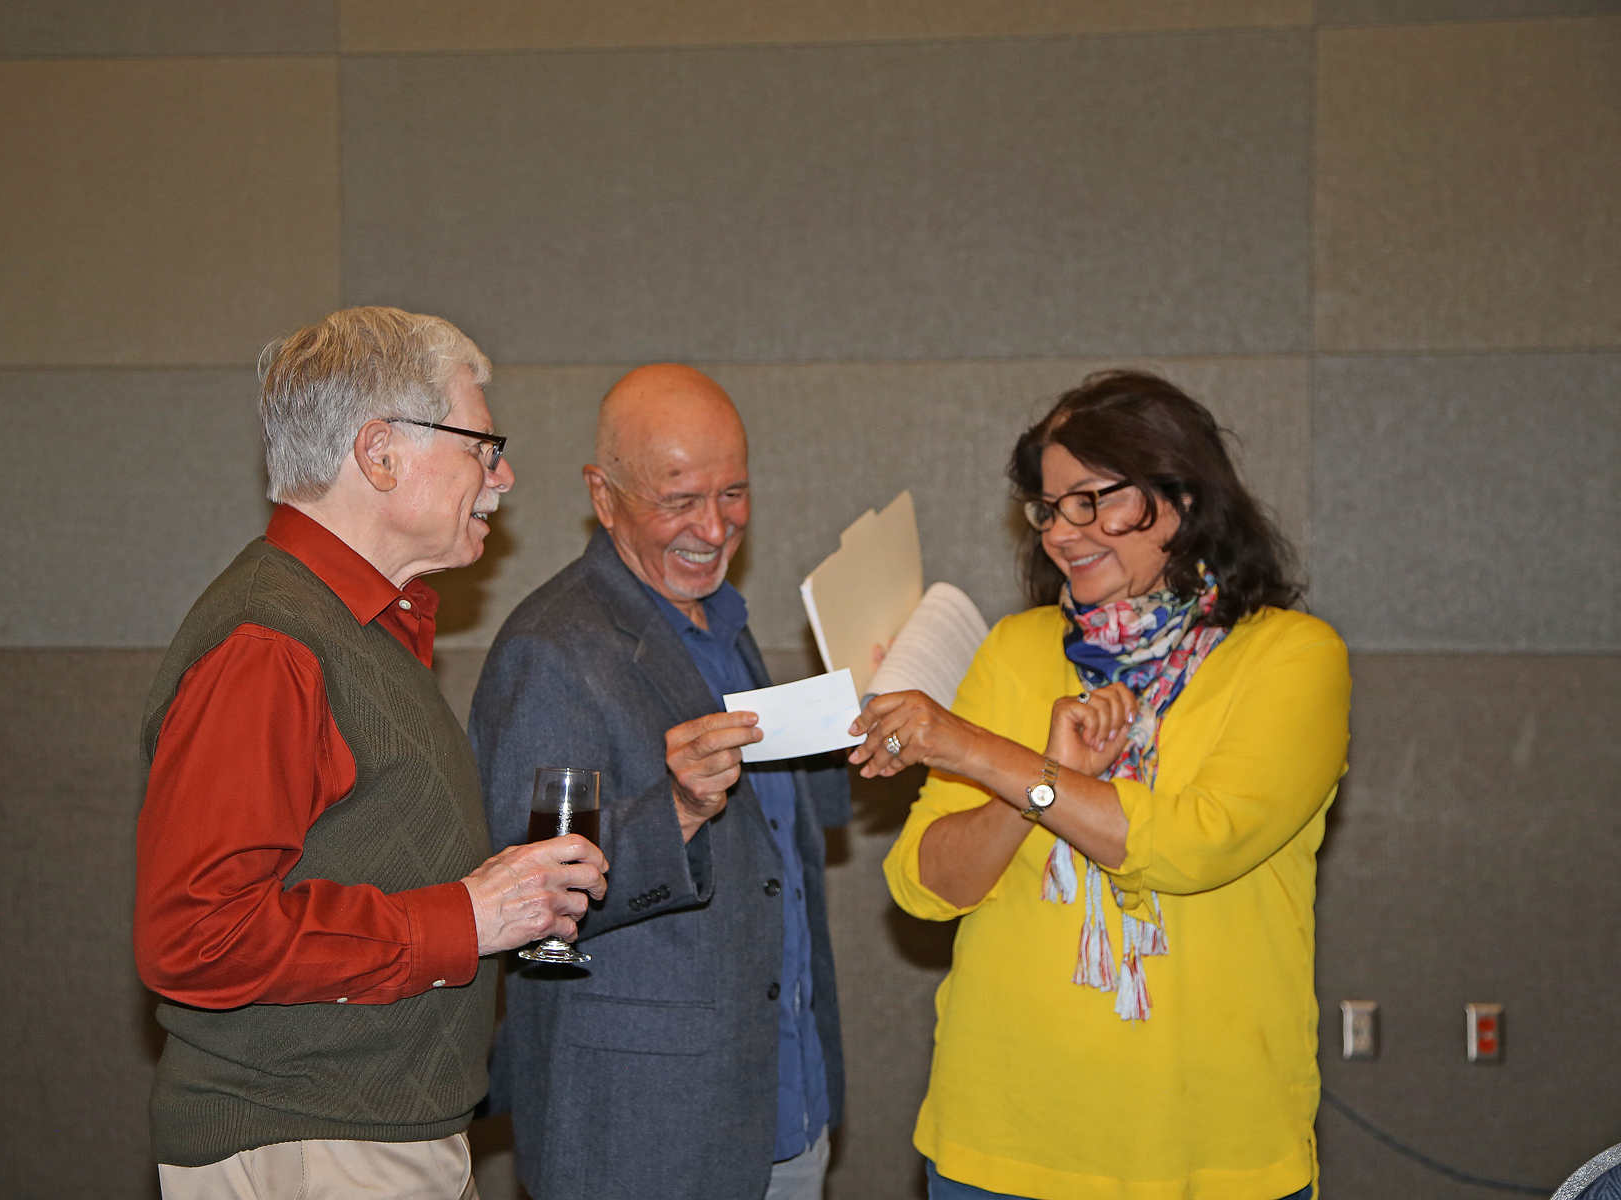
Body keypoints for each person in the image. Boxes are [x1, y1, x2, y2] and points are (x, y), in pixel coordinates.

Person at [134, 307, 607, 1200]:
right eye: (481, 443)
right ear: (380, 452)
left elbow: (353, 857)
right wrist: (463, 918)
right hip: (311, 1146)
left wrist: (489, 895)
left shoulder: (354, 630)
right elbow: (198, 935)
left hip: (364, 1139)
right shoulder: (271, 644)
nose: (502, 475)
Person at [859, 370, 1349, 1200]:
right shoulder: (1016, 650)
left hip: (1210, 1151)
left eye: (1093, 500)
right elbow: (924, 884)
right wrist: (1040, 786)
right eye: (1050, 508)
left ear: (1183, 497)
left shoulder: (1292, 658)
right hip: (999, 1144)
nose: (1063, 532)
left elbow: (1191, 844)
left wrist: (988, 756)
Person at [467, 364, 851, 1200]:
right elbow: (529, 913)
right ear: (603, 496)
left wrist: (852, 722)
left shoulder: (721, 623)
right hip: (642, 1137)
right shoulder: (552, 652)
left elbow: (774, 843)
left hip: (783, 1109)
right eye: (679, 500)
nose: (714, 529)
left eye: (734, 494)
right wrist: (676, 809)